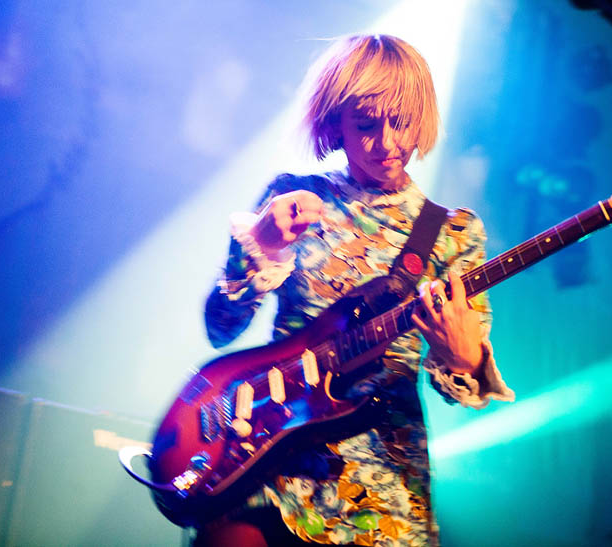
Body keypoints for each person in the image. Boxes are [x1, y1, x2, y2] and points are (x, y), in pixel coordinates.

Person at [200, 34, 514, 547]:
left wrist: (462, 358)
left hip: (379, 492)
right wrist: (261, 247)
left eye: (402, 121)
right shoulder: (295, 197)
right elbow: (220, 330)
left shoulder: (454, 232)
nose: (387, 143)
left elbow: (455, 389)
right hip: (269, 462)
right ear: (335, 124)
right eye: (366, 124)